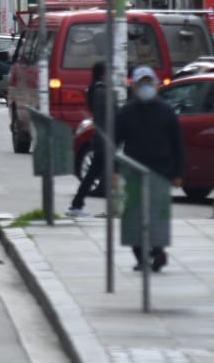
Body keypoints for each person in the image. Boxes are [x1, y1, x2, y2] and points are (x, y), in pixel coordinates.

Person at [116, 66, 185, 273]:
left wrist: (178, 173)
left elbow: (177, 144)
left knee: (157, 214)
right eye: (141, 83)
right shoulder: (126, 112)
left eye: (149, 82)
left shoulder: (166, 111)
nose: (145, 87)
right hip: (133, 171)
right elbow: (115, 142)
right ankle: (140, 256)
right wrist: (114, 170)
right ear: (134, 87)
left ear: (155, 84)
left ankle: (158, 251)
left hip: (160, 171)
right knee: (133, 215)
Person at [67, 62, 109, 218]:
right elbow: (101, 114)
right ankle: (76, 205)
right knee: (99, 173)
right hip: (104, 137)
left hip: (102, 137)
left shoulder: (97, 89)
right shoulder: (100, 91)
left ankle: (76, 204)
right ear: (103, 74)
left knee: (95, 173)